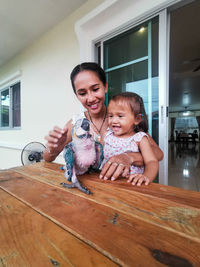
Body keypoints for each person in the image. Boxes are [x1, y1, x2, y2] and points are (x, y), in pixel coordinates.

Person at [44, 62, 163, 181]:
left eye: (95, 89)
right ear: (77, 95)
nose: (90, 98)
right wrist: (53, 149)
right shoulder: (76, 123)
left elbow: (158, 154)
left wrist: (129, 157)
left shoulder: (123, 120)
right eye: (82, 93)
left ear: (105, 87)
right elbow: (47, 158)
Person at [101, 92, 158, 186]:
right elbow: (98, 155)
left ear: (137, 119)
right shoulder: (107, 135)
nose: (114, 121)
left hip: (131, 185)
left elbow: (151, 161)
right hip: (106, 182)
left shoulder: (139, 139)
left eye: (120, 116)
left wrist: (146, 176)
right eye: (110, 116)